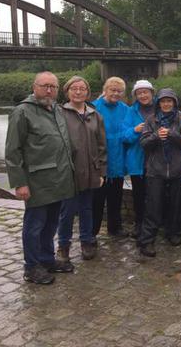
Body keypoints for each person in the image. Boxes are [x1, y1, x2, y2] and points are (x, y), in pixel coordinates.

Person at [5, 72, 76, 284]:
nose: (49, 90)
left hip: (59, 179)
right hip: (36, 181)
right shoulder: (22, 112)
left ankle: (46, 259)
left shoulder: (57, 109)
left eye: (53, 87)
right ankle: (32, 267)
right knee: (34, 225)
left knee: (52, 223)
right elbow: (13, 150)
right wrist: (20, 183)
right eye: (45, 86)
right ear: (34, 87)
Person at [57, 76, 107, 267]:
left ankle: (87, 241)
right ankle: (63, 246)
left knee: (87, 209)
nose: (78, 92)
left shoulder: (95, 115)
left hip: (91, 171)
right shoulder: (59, 113)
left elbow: (102, 146)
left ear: (87, 92)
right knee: (67, 211)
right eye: (74, 89)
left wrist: (101, 171)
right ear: (67, 91)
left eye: (82, 89)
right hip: (68, 172)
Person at [137, 88, 181, 257]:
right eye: (163, 101)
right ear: (158, 103)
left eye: (169, 101)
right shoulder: (151, 119)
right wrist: (156, 136)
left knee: (176, 205)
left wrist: (172, 134)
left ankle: (173, 233)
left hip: (178, 169)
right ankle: (147, 240)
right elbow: (144, 143)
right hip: (156, 170)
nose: (166, 104)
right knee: (153, 206)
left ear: (174, 102)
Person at [92, 76, 130, 238]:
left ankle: (115, 228)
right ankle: (91, 233)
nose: (116, 93)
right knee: (97, 201)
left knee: (116, 197)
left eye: (119, 91)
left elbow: (128, 132)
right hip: (99, 162)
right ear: (105, 90)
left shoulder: (125, 109)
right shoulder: (94, 108)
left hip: (118, 161)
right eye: (113, 90)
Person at [122, 79, 155, 239]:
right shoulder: (130, 111)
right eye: (139, 93)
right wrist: (135, 130)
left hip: (157, 161)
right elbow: (124, 136)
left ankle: (155, 222)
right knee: (139, 195)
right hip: (137, 161)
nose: (143, 95)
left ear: (151, 93)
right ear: (136, 95)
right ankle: (139, 223)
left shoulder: (160, 107)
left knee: (156, 194)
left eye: (145, 92)